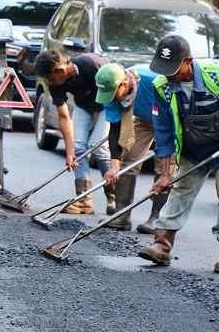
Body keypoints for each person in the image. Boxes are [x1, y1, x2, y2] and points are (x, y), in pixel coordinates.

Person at [138, 35, 219, 274]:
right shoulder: (162, 87)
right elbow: (163, 131)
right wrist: (165, 174)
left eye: (174, 69)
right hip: (193, 147)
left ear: (189, 61)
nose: (169, 75)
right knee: (180, 190)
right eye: (164, 69)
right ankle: (161, 244)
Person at [34, 49, 112, 215]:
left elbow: (117, 92)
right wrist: (69, 152)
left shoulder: (91, 64)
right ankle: (84, 200)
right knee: (78, 147)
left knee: (98, 146)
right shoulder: (55, 83)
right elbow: (64, 116)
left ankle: (114, 196)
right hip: (84, 106)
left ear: (60, 70)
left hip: (108, 106)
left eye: (50, 78)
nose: (49, 83)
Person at [94, 63, 168, 232]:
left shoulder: (154, 81)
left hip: (170, 120)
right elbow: (115, 128)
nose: (110, 99)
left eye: (113, 94)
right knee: (127, 163)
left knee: (164, 168)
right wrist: (114, 164)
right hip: (145, 120)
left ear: (124, 84)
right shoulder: (111, 92)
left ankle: (157, 218)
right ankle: (121, 216)